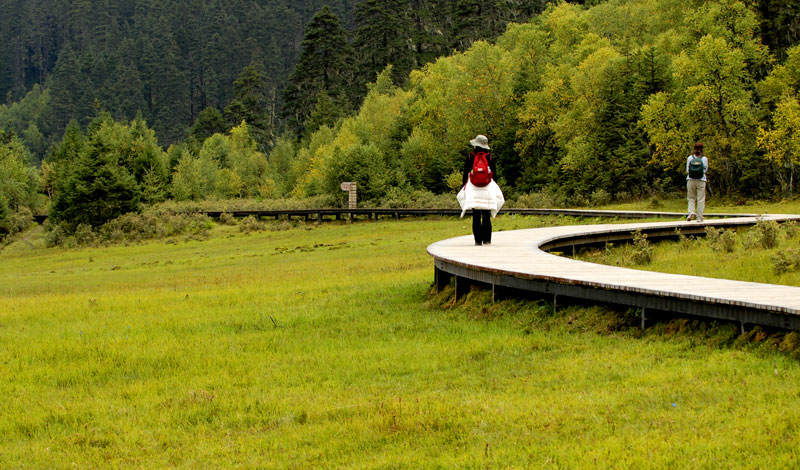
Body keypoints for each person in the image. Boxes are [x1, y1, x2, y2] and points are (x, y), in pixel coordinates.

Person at [457, 134, 504, 245]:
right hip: (487, 188)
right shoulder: (490, 157)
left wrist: (465, 187)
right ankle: (487, 239)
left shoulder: (470, 157)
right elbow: (494, 176)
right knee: (486, 214)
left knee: (476, 215)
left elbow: (465, 175)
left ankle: (478, 241)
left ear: (475, 145)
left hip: (474, 189)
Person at [686, 142, 709, 222]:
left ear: (694, 149)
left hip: (691, 179)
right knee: (700, 199)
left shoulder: (690, 158)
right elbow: (705, 170)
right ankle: (699, 217)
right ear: (702, 150)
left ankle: (691, 212)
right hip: (701, 180)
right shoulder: (704, 159)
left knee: (691, 198)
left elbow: (687, 170)